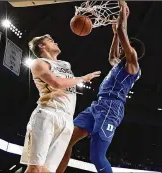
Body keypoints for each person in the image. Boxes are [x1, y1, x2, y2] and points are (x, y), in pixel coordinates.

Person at [57, 2, 145, 173]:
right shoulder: (119, 64)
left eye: (124, 46)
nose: (121, 48)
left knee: (97, 157)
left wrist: (122, 11)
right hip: (98, 105)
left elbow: (122, 31)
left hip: (112, 108)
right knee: (66, 140)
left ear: (131, 49)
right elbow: (112, 56)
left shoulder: (132, 63)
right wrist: (115, 35)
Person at [20, 34, 101, 173]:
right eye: (51, 40)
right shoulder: (39, 63)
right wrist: (82, 78)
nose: (56, 42)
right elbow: (56, 83)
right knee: (35, 168)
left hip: (67, 120)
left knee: (47, 171)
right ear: (41, 46)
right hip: (47, 113)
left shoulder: (65, 64)